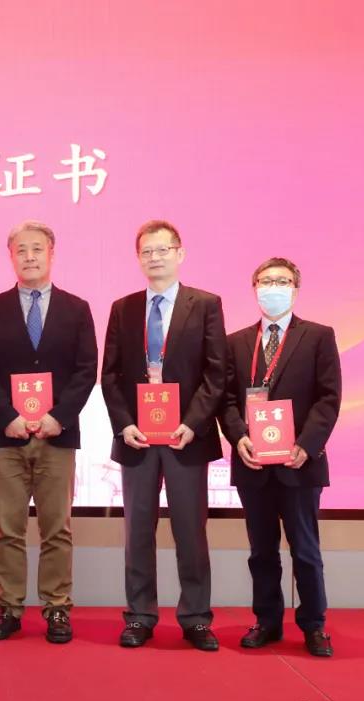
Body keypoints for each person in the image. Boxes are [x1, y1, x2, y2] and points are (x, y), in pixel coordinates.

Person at [101, 219, 227, 651]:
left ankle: (196, 618)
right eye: (147, 251)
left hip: (185, 438)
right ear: (138, 258)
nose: (154, 258)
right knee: (138, 531)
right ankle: (140, 615)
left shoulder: (206, 304)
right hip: (137, 438)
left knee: (190, 531)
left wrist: (192, 423)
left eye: (162, 250)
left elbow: (216, 373)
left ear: (179, 253)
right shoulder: (123, 308)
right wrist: (125, 424)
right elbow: (110, 375)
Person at [0, 220, 97, 644]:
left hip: (57, 436)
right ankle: (7, 607)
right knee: (7, 529)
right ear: (11, 257)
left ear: (51, 253)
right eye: (21, 250)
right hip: (5, 436)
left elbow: (86, 369)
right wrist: (5, 416)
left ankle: (57, 607)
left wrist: (59, 416)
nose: (29, 257)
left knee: (56, 529)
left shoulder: (77, 308)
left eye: (37, 249)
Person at [220, 257, 340, 657]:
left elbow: (328, 397)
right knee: (261, 551)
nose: (273, 287)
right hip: (253, 463)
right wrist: (238, 437)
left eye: (282, 281)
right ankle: (267, 621)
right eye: (266, 281)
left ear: (296, 288)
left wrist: (307, 443)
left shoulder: (318, 336)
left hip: (299, 463)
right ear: (254, 288)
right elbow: (227, 400)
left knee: (305, 549)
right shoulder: (236, 342)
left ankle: (314, 625)